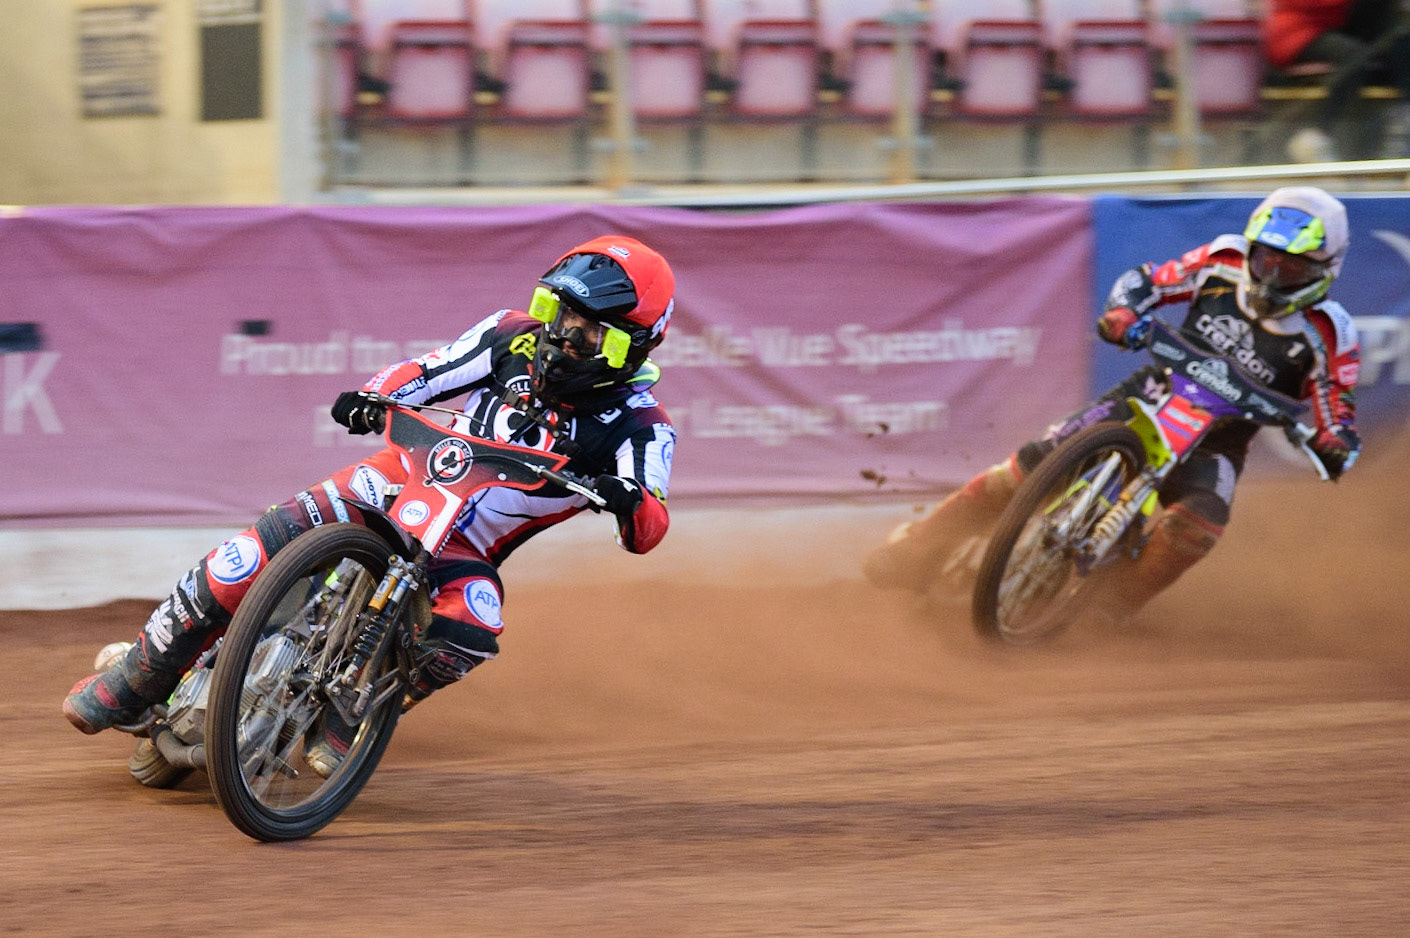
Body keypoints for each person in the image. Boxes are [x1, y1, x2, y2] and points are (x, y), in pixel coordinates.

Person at [63, 235, 679, 775]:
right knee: (248, 553)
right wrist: (372, 396)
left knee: (473, 626)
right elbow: (425, 373)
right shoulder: (509, 336)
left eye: (591, 330)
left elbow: (650, 525)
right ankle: (136, 678)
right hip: (395, 481)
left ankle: (354, 714)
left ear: (635, 347)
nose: (565, 336)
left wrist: (629, 500)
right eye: (559, 312)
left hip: (462, 549)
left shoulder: (642, 426)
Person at [864, 186, 1362, 624]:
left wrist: (1335, 440)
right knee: (1024, 468)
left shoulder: (1330, 332)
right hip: (1147, 397)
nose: (1272, 275)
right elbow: (1148, 280)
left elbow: (1337, 404)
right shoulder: (1222, 260)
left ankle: (1111, 609)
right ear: (1251, 249)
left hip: (1218, 443)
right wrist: (1125, 313)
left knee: (1199, 527)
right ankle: (919, 548)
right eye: (1266, 259)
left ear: (1326, 269)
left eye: (1291, 266)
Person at [1266, 0, 1410, 161]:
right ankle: (1318, 134)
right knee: (1356, 56)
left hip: (1348, 32)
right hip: (1300, 31)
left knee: (1402, 46)